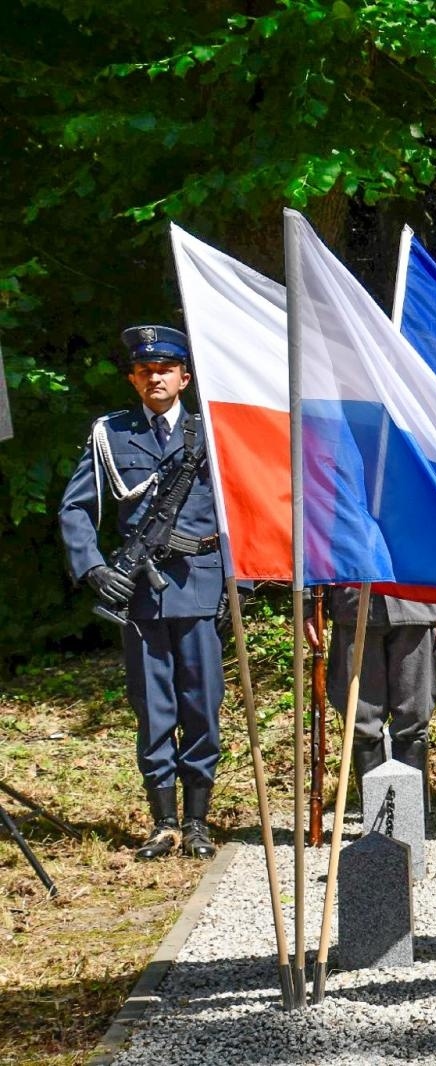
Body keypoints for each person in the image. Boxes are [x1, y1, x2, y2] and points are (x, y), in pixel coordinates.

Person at [59, 326, 226, 860]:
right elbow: (75, 507)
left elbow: (240, 509)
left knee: (202, 705)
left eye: (165, 370)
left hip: (200, 585)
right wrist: (92, 568)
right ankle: (164, 823)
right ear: (133, 379)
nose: (155, 378)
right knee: (153, 707)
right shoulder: (111, 434)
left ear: (184, 378)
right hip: (139, 595)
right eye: (145, 371)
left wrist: (239, 583)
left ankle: (197, 821)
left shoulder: (211, 430)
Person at [306, 590, 436, 800]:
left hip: (416, 600)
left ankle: (410, 813)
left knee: (413, 723)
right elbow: (309, 566)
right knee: (361, 723)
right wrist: (309, 606)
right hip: (354, 605)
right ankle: (374, 814)